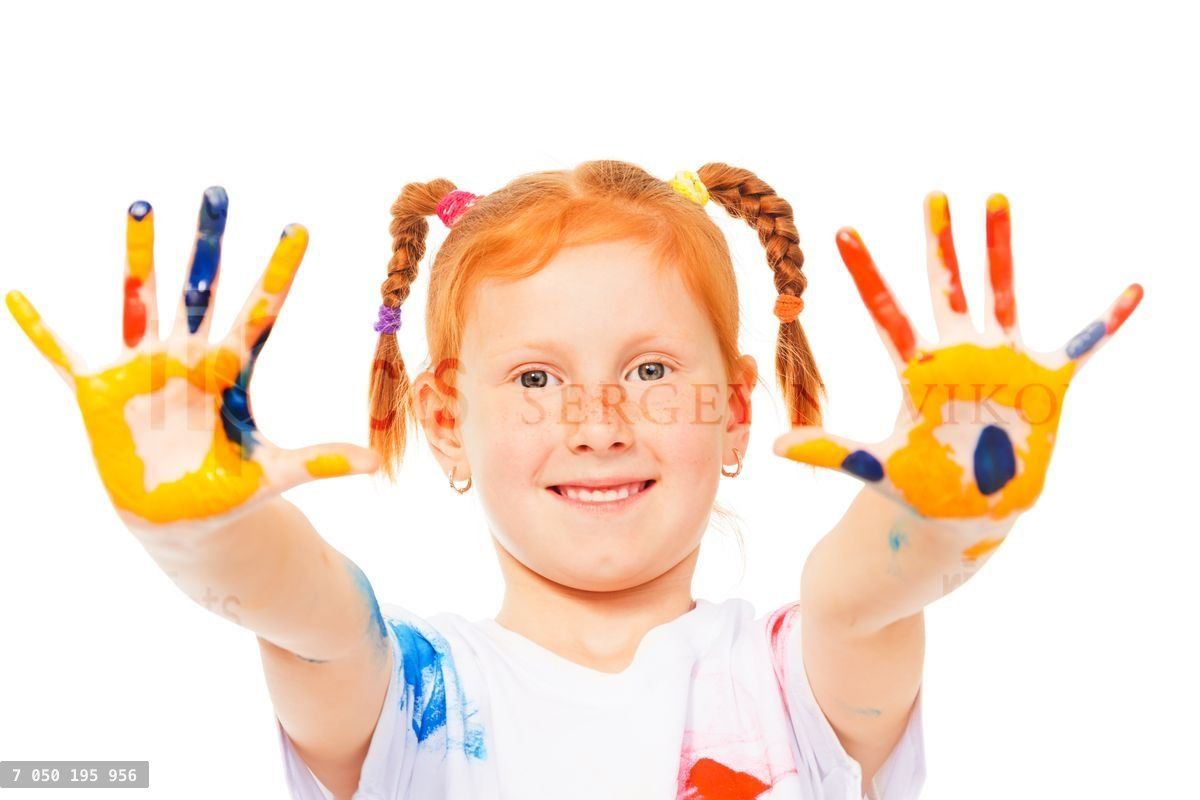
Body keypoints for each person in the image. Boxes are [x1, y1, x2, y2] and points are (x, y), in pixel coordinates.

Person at [5, 160, 1142, 800]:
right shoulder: (413, 697)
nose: (597, 422)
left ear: (735, 406)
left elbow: (866, 592)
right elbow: (309, 612)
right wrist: (204, 531)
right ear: (447, 418)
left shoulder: (790, 677)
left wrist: (936, 508)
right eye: (537, 377)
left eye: (651, 369)